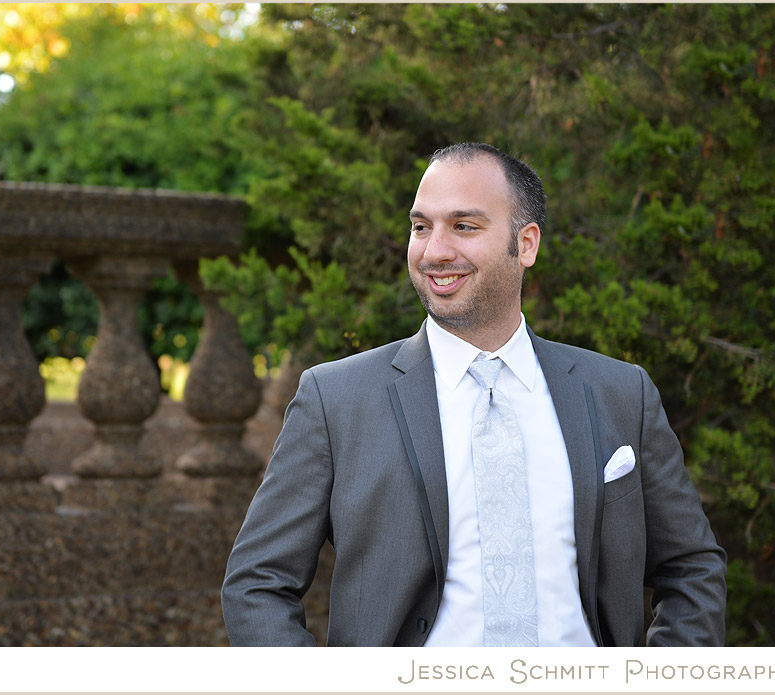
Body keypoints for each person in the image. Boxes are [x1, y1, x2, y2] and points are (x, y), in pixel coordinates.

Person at [221, 142, 727, 647]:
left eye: (464, 226)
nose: (435, 250)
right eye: (422, 227)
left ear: (525, 244)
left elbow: (690, 566)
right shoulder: (335, 401)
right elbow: (258, 585)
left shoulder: (621, 393)